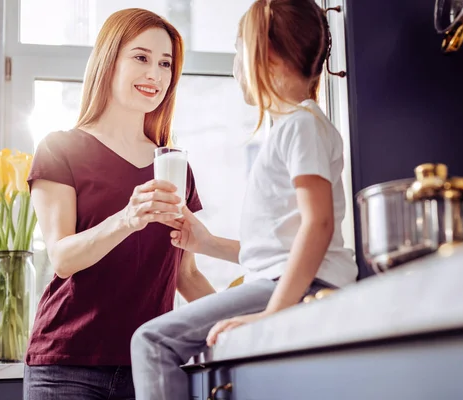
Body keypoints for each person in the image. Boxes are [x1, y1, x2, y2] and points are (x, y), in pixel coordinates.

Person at [130, 0, 358, 398]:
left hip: (302, 286)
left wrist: (272, 314)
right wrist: (206, 243)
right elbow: (279, 247)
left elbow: (318, 224)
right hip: (294, 281)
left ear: (265, 54)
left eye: (239, 49)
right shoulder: (298, 126)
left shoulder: (300, 126)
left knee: (152, 342)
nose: (236, 65)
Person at [24, 8, 215, 400]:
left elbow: (187, 276)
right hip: (67, 365)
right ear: (109, 61)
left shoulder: (174, 165)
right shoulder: (60, 149)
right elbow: (62, 257)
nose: (156, 74)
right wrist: (127, 219)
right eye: (141, 57)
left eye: (166, 64)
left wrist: (254, 322)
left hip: (151, 366)